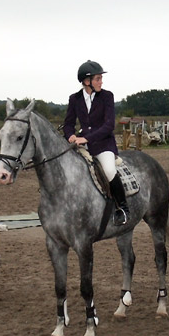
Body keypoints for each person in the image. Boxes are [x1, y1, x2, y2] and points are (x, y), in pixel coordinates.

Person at [62, 60, 129, 226]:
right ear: (87, 81)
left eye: (100, 78)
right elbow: (69, 123)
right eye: (98, 79)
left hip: (103, 144)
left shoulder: (107, 96)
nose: (101, 82)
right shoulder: (75, 99)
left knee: (108, 170)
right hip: (82, 145)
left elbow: (109, 125)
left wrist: (86, 138)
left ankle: (122, 208)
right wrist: (70, 135)